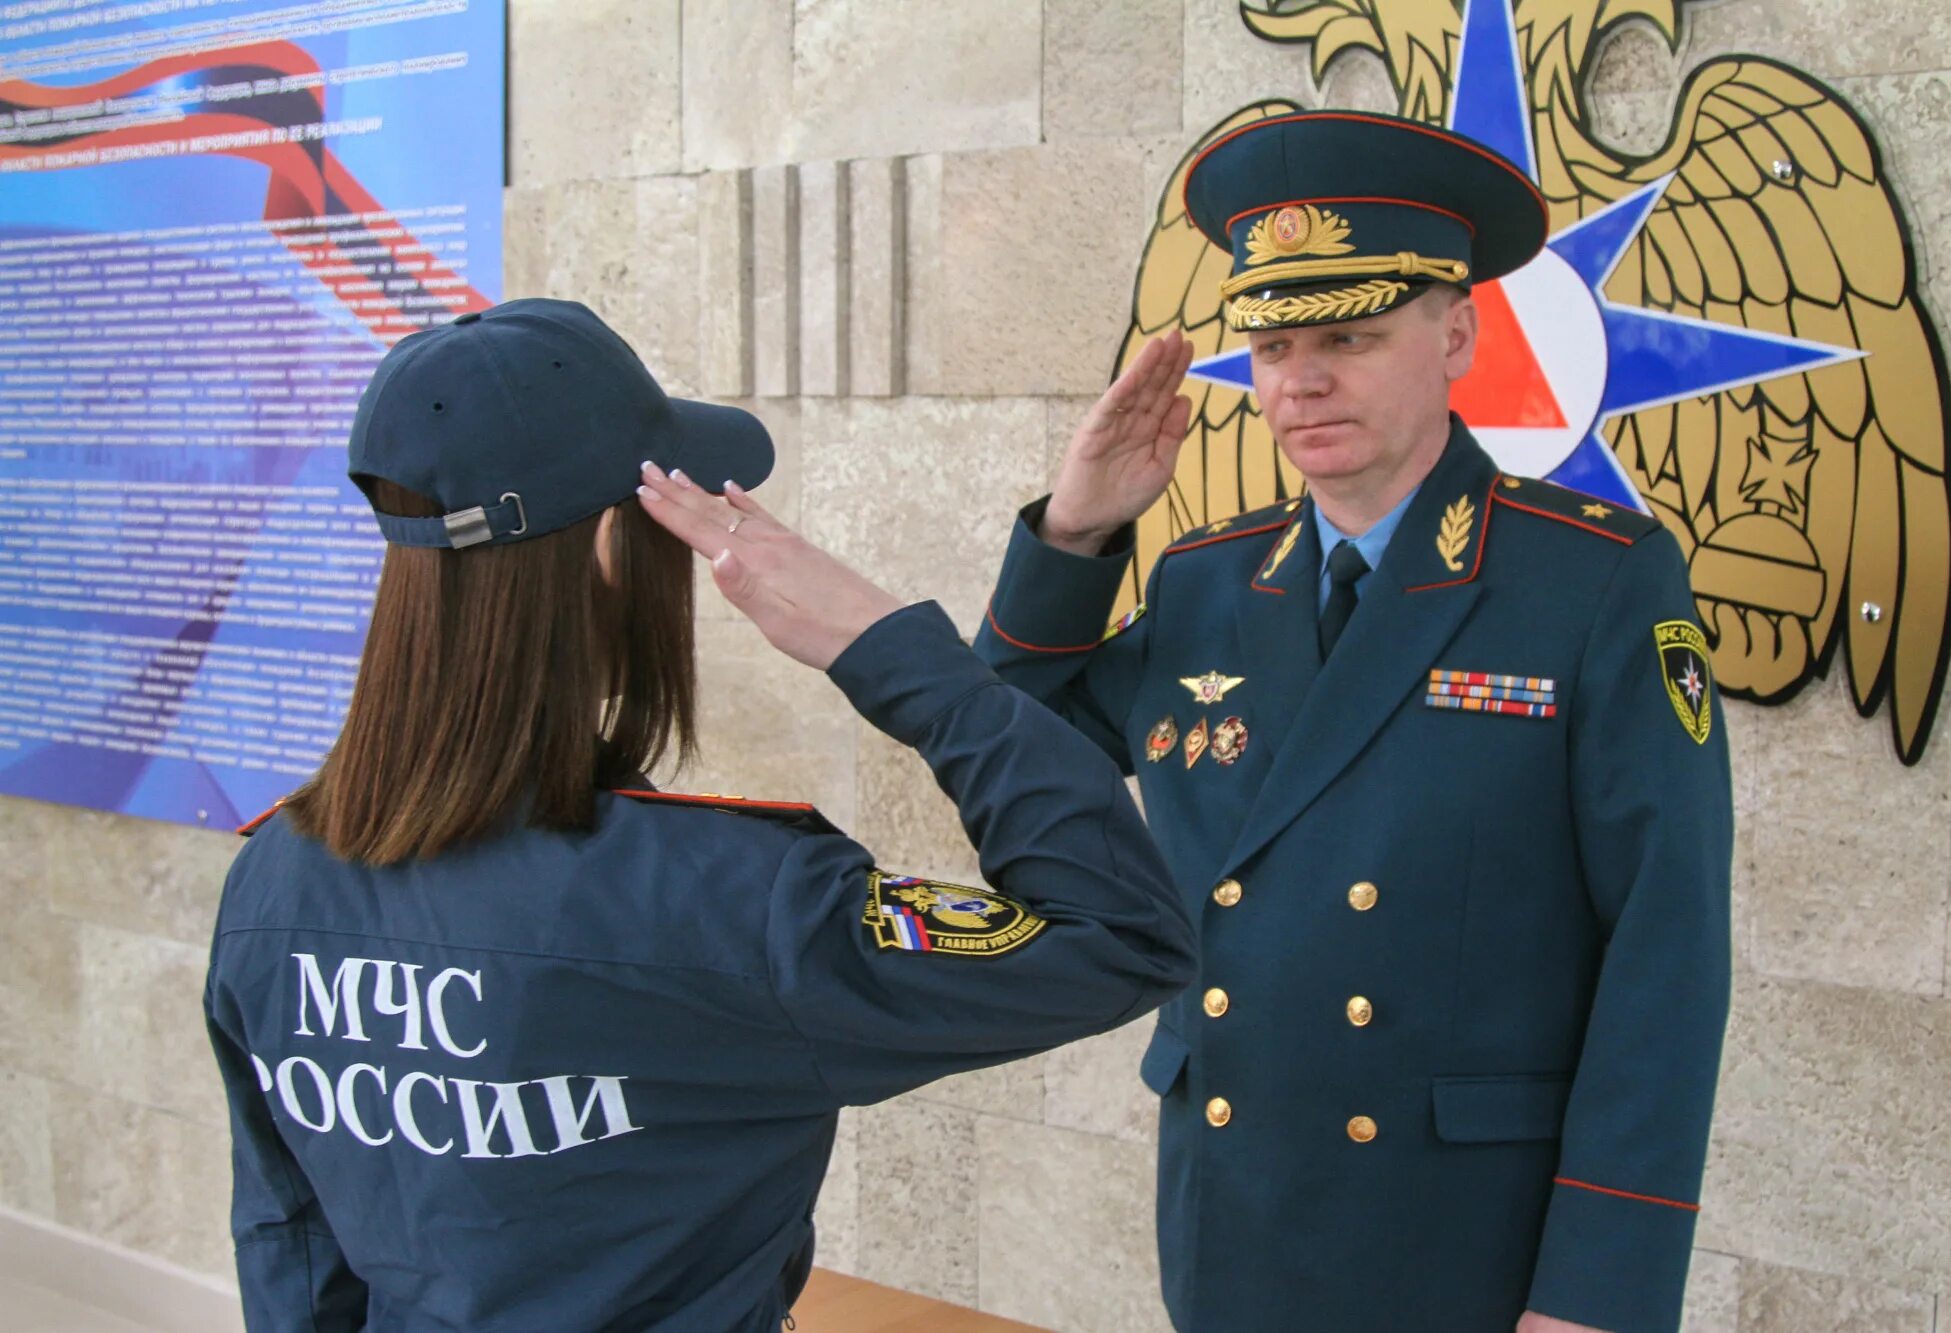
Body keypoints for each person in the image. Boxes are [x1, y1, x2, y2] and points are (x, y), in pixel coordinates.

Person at [202, 298, 1197, 1333]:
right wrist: (884, 646)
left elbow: (293, 1245)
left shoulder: (275, 878)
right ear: (605, 547)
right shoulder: (730, 897)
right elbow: (1120, 935)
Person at [975, 112, 1733, 1333]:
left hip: (1469, 1241)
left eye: (1350, 335)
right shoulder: (1209, 580)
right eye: (1273, 345)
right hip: (1234, 1214)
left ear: (1456, 335)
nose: (1301, 380)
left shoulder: (1590, 582)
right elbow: (1006, 750)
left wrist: (1602, 1289)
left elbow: (1667, 949)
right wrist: (1072, 536)